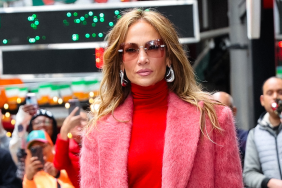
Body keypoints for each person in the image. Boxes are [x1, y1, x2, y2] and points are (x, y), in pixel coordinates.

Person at [80, 9, 243, 188]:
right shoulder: (98, 131)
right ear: (120, 61)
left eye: (153, 47)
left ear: (169, 58)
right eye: (131, 50)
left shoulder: (214, 118)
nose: (142, 59)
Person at [243, 77, 282, 188]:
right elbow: (249, 174)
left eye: (280, 92)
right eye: (270, 93)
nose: (275, 97)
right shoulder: (254, 135)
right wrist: (269, 182)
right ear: (262, 100)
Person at [53, 107, 87, 188]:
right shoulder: (66, 147)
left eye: (82, 120)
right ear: (69, 127)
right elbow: (59, 165)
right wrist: (64, 130)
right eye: (74, 121)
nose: (78, 123)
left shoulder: (98, 143)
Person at [212, 91, 249, 167]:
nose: (219, 115)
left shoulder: (245, 138)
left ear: (234, 111)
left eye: (223, 110)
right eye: (214, 110)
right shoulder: (205, 139)